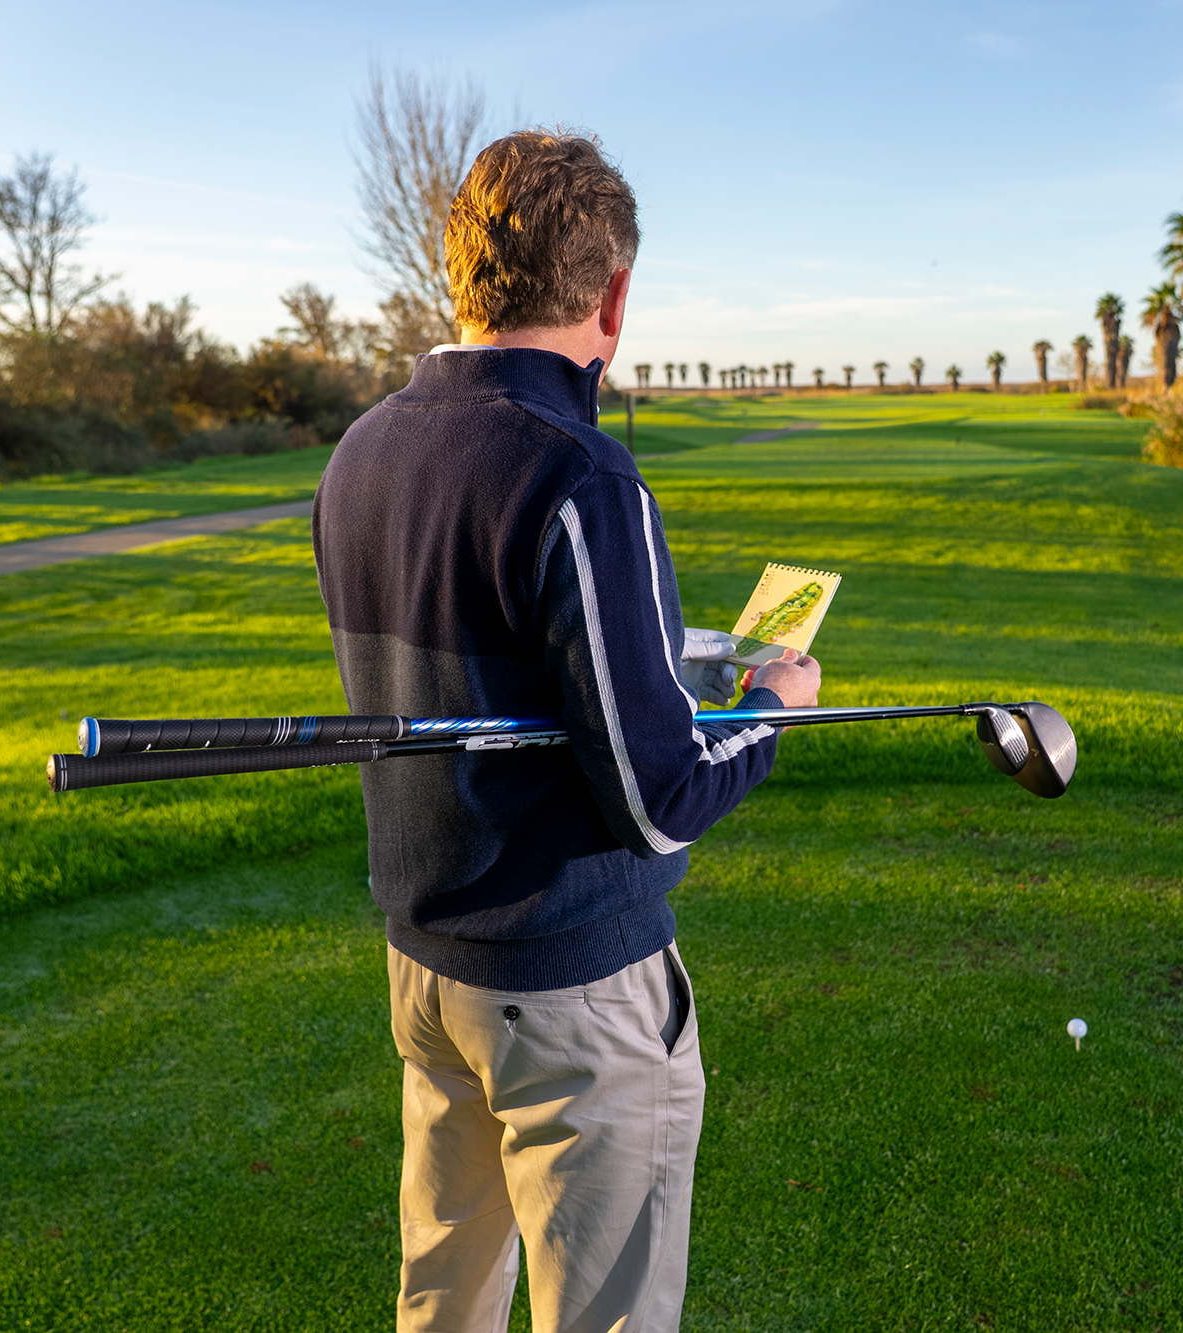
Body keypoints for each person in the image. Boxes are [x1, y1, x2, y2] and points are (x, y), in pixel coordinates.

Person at [311, 129, 820, 1333]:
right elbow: (658, 795)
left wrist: (652, 669)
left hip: (427, 972)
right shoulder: (582, 475)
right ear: (613, 294)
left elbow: (502, 666)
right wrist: (768, 708)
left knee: (443, 1304)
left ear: (461, 274)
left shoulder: (360, 451)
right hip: (570, 987)